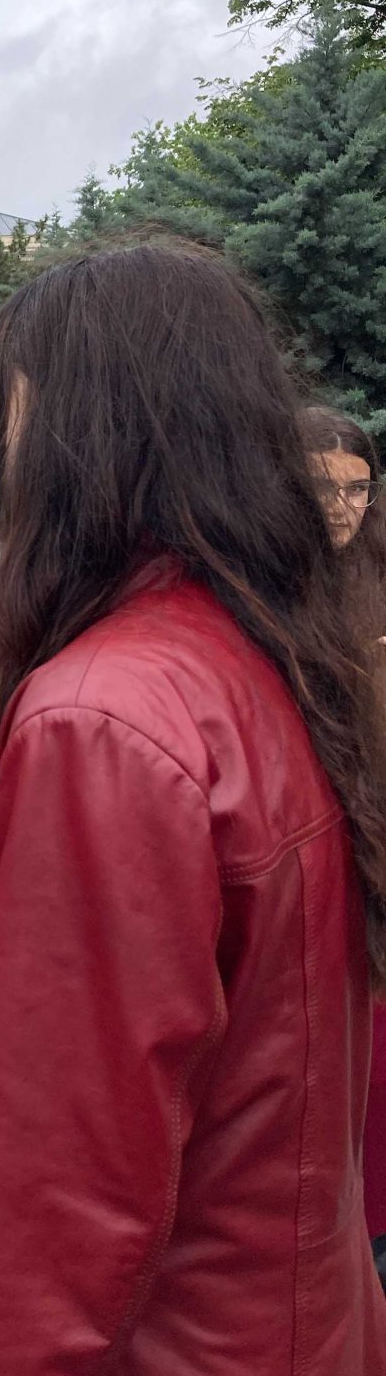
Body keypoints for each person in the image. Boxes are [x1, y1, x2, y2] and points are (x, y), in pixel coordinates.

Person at [0, 244, 386, 1376]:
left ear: (93, 435)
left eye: (4, 416)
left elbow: (56, 1212)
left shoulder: (104, 720)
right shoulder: (265, 656)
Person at [301, 404, 386, 1296]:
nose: (341, 507)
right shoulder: (266, 585)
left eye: (358, 489)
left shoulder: (377, 580)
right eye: (322, 487)